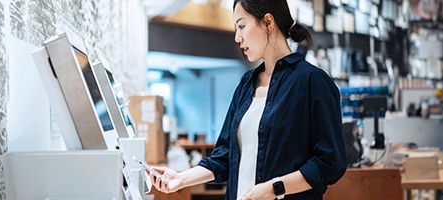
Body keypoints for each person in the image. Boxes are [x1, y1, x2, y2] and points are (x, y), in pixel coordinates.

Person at [148, 0, 347, 199]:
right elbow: (224, 156)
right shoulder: (246, 84)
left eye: (242, 26)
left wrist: (274, 188)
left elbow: (330, 162)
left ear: (268, 22)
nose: (237, 37)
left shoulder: (313, 82)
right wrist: (181, 178)